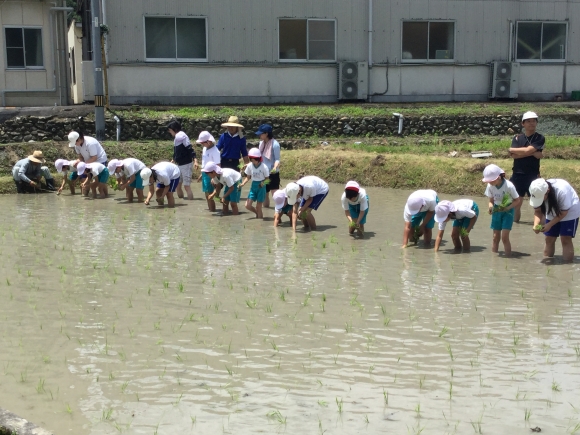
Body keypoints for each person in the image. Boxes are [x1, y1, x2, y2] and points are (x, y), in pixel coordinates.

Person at [530, 178, 580, 263]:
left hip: (570, 211)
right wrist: (535, 224)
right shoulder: (535, 191)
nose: (541, 201)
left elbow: (564, 212)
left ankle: (567, 267)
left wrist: (549, 225)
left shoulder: (561, 191)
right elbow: (537, 211)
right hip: (551, 210)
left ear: (547, 191)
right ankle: (546, 264)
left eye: (542, 197)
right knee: (549, 238)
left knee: (565, 239)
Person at [508, 111, 545, 223]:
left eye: (534, 121)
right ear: (523, 123)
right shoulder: (518, 138)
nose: (531, 123)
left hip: (533, 175)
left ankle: (541, 226)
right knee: (516, 204)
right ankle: (515, 226)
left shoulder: (539, 138)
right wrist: (534, 153)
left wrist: (515, 151)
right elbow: (513, 155)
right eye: (528, 121)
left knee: (538, 205)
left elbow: (525, 150)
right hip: (517, 175)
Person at [482, 164, 521, 256]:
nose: (489, 183)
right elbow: (491, 200)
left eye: (491, 181)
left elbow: (517, 201)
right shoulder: (490, 186)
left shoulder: (509, 186)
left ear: (498, 177)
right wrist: (490, 207)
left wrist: (507, 208)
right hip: (496, 210)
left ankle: (508, 257)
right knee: (495, 237)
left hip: (508, 211)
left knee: (504, 237)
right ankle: (494, 258)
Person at [168, 120, 197, 201]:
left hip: (186, 164)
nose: (170, 132)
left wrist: (195, 160)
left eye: (170, 130)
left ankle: (190, 203)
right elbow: (176, 152)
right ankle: (182, 202)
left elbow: (190, 149)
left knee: (186, 186)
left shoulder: (183, 137)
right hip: (179, 164)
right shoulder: (176, 139)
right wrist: (173, 160)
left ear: (175, 129)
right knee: (178, 185)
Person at [256, 124, 281, 208]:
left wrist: (275, 167)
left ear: (266, 134)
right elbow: (259, 157)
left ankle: (279, 211)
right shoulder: (261, 144)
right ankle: (266, 212)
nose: (259, 135)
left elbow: (277, 159)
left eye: (261, 133)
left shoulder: (275, 144)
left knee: (275, 194)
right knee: (264, 194)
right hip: (264, 174)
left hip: (273, 174)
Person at [240, 148, 269, 219]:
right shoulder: (250, 165)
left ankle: (259, 222)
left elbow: (267, 179)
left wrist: (262, 184)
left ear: (258, 158)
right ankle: (256, 213)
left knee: (259, 206)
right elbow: (248, 177)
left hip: (261, 187)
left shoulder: (264, 167)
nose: (252, 161)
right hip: (253, 186)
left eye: (253, 159)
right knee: (247, 205)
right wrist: (243, 184)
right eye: (251, 159)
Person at [196, 131, 221, 212]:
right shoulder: (205, 148)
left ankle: (212, 211)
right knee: (206, 194)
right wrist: (202, 174)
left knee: (210, 194)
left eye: (203, 143)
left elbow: (218, 166)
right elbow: (204, 163)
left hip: (211, 174)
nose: (202, 145)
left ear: (209, 142)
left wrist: (214, 178)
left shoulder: (215, 151)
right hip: (205, 173)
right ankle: (211, 210)